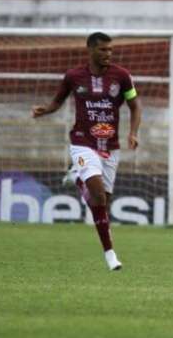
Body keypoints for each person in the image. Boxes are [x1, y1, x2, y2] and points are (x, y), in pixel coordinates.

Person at [31, 32, 142, 271]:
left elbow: (135, 106)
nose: (108, 54)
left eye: (110, 50)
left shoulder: (122, 76)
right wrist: (45, 110)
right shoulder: (73, 76)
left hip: (110, 147)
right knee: (99, 197)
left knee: (102, 202)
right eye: (103, 50)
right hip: (82, 142)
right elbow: (58, 101)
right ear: (90, 50)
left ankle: (76, 178)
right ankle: (110, 254)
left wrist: (133, 133)